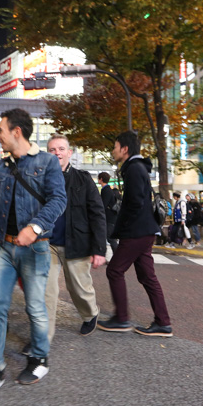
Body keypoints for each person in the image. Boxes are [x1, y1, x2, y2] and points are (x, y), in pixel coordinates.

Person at [0, 108, 66, 394]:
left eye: (0, 131)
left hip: (36, 248)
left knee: (35, 307)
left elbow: (58, 200)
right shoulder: (1, 166)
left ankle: (40, 358)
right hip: (4, 247)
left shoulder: (46, 162)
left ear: (16, 132)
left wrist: (34, 227)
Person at [98, 131, 172, 337]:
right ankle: (163, 323)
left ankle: (122, 319)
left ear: (124, 149)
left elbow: (135, 203)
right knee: (148, 277)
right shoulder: (137, 168)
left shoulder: (133, 169)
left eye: (115, 146)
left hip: (137, 232)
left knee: (114, 270)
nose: (113, 150)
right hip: (144, 230)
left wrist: (122, 225)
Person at [44, 134, 105, 342]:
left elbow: (97, 213)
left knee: (79, 288)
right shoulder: (40, 179)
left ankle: (90, 314)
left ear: (69, 153)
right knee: (46, 291)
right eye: (52, 150)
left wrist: (99, 249)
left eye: (61, 149)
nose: (57, 153)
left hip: (77, 243)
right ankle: (43, 336)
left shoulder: (83, 178)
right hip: (47, 244)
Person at [98, 172, 119, 253]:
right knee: (108, 237)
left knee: (111, 238)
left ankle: (117, 258)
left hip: (109, 218)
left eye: (98, 178)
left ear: (101, 179)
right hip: (110, 217)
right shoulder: (107, 189)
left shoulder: (106, 190)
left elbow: (103, 205)